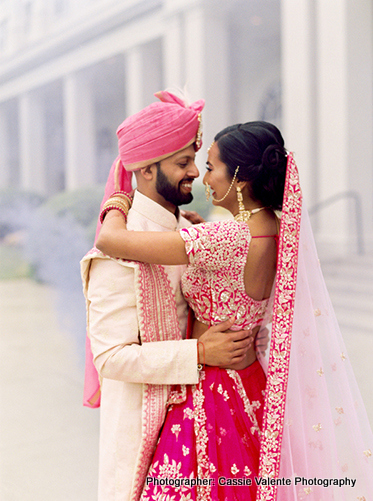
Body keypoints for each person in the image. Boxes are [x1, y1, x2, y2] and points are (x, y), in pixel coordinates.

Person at [96, 121, 373, 500]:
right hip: (252, 380)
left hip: (211, 391)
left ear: (239, 180)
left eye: (210, 167)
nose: (202, 177)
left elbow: (111, 241)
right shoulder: (274, 228)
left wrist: (117, 197)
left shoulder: (225, 238)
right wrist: (193, 228)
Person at [80, 91, 255, 501]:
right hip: (146, 432)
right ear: (143, 169)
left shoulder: (187, 230)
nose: (195, 171)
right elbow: (109, 357)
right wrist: (197, 353)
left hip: (205, 426)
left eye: (195, 159)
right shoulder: (119, 252)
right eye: (182, 163)